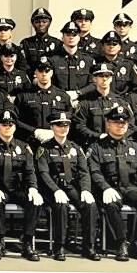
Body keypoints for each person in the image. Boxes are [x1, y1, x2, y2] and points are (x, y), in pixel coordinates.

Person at [87, 106, 137, 262]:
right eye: (116, 122)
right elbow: (94, 171)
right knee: (111, 204)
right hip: (109, 188)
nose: (121, 125)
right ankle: (121, 243)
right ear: (108, 124)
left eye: (124, 123)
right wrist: (105, 188)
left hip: (130, 187)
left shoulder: (136, 147)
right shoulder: (97, 147)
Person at [35, 111, 99, 261]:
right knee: (61, 206)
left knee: (90, 205)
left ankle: (88, 246)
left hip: (71, 186)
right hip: (52, 188)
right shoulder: (44, 148)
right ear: (52, 127)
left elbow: (84, 172)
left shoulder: (76, 148)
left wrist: (85, 190)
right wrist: (56, 190)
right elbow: (43, 173)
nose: (63, 128)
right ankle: (59, 246)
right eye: (59, 125)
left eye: (66, 125)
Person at [0, 111, 43, 261]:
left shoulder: (24, 147)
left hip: (17, 189)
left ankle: (27, 242)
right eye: (4, 124)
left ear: (15, 127)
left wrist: (33, 188)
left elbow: (30, 170)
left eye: (10, 124)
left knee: (34, 202)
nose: (7, 127)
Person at [13, 58, 74, 145]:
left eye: (47, 71)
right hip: (30, 142)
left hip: (56, 143)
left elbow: (70, 118)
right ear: (35, 73)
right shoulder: (23, 96)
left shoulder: (63, 96)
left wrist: (55, 131)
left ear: (52, 72)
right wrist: (34, 131)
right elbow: (15, 120)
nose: (44, 74)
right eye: (40, 71)